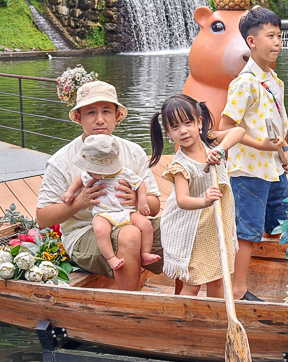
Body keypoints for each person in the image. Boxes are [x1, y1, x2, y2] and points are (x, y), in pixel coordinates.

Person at [36, 79, 162, 291]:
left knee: (180, 224)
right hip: (84, 232)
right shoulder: (62, 160)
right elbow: (43, 218)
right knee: (130, 235)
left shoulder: (133, 151)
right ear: (79, 117)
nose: (100, 120)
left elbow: (155, 205)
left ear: (117, 116)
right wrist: (78, 202)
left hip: (129, 219)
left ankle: (189, 303)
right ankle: (130, 310)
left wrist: (136, 199)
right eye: (91, 113)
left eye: (106, 111)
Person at [216, 7, 288, 301]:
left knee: (282, 223)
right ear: (251, 41)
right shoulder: (245, 83)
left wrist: (285, 152)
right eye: (270, 36)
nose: (277, 42)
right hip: (249, 171)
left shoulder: (272, 79)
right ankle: (238, 289)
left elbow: (275, 124)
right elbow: (224, 129)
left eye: (279, 36)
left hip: (272, 167)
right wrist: (261, 145)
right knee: (247, 230)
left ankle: (278, 276)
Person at [149, 95, 245, 298]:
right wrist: (205, 200)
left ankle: (215, 322)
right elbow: (183, 200)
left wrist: (220, 150)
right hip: (191, 228)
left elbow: (239, 131)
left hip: (215, 224)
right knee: (192, 283)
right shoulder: (180, 165)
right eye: (175, 127)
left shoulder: (210, 143)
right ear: (168, 134)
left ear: (199, 123)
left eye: (187, 122)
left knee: (218, 280)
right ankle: (184, 325)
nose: (183, 131)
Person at [61, 134, 160, 272]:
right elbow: (79, 180)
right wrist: (70, 192)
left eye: (91, 168)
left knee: (146, 224)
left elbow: (140, 184)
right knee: (101, 230)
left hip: (125, 212)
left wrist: (141, 202)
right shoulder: (89, 174)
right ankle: (111, 257)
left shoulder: (124, 173)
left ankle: (145, 253)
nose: (88, 171)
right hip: (104, 214)